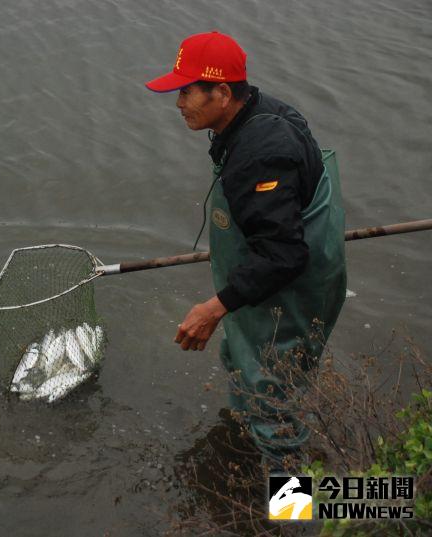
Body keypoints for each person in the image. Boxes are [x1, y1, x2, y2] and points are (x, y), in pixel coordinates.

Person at [145, 31, 347, 466]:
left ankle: (291, 518)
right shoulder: (260, 109)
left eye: (186, 91)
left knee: (273, 404)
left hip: (290, 291)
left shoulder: (261, 152)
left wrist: (213, 307)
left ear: (221, 92)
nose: (178, 102)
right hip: (275, 276)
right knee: (240, 361)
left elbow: (284, 255)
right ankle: (240, 452)